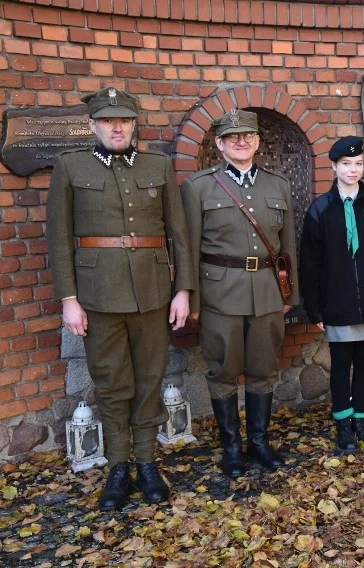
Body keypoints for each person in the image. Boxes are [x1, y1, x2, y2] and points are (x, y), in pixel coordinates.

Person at [47, 88, 194, 510]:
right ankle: (118, 466)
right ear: (92, 124)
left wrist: (182, 290)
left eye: (125, 120)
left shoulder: (158, 165)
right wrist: (69, 299)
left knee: (150, 378)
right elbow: (58, 238)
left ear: (134, 125)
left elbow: (178, 234)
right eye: (108, 120)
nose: (117, 127)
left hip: (151, 293)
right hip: (97, 295)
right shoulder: (70, 166)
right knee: (112, 383)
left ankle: (147, 463)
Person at [180, 110, 299, 477]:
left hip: (265, 290)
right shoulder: (199, 187)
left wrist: (289, 294)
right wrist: (194, 299)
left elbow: (287, 246)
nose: (241, 141)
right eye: (232, 137)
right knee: (224, 369)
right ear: (218, 144)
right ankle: (232, 446)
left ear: (258, 141)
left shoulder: (277, 185)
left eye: (248, 135)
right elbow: (188, 247)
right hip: (220, 291)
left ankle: (259, 443)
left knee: (263, 368)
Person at [299, 136, 364, 454]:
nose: (352, 169)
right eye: (346, 164)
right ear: (333, 166)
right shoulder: (320, 210)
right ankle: (343, 424)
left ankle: (361, 419)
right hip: (338, 302)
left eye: (358, 164)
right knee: (341, 365)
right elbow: (310, 263)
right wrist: (314, 308)